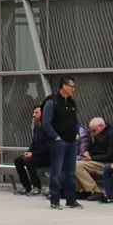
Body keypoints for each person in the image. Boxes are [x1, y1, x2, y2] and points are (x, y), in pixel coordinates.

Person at [40, 78, 82, 210]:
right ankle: (55, 199)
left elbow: (75, 120)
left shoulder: (72, 102)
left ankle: (71, 200)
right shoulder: (52, 101)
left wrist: (76, 133)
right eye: (71, 86)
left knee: (71, 172)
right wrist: (55, 136)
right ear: (64, 86)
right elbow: (45, 122)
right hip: (59, 142)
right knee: (57, 171)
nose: (73, 89)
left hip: (71, 140)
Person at [76, 117, 113, 202]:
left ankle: (95, 190)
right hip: (97, 160)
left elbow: (111, 155)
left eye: (94, 130)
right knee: (75, 163)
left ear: (101, 126)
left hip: (106, 162)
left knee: (77, 166)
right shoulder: (100, 133)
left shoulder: (112, 134)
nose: (94, 133)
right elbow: (96, 149)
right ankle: (83, 190)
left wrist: (92, 158)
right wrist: (88, 154)